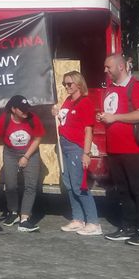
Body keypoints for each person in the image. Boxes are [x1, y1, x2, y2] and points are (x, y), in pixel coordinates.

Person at [97, 54, 139, 246]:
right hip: (114, 147)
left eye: (108, 67)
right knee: (122, 189)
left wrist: (115, 118)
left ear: (121, 67)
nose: (105, 70)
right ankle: (128, 225)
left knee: (138, 188)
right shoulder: (111, 89)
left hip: (133, 148)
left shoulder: (136, 87)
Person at [54, 71, 101, 235]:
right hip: (65, 146)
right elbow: (65, 121)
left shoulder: (85, 103)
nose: (66, 87)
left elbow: (89, 130)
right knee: (68, 184)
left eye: (69, 84)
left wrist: (86, 153)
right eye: (64, 84)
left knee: (79, 185)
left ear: (79, 84)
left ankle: (93, 222)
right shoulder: (68, 101)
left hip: (76, 147)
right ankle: (78, 219)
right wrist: (57, 115)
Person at [0, 95, 44, 232]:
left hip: (30, 152)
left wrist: (26, 157)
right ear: (13, 109)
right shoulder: (5, 119)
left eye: (27, 108)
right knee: (11, 185)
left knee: (30, 186)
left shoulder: (33, 118)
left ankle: (24, 219)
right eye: (22, 109)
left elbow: (38, 139)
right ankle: (13, 212)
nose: (25, 112)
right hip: (10, 153)